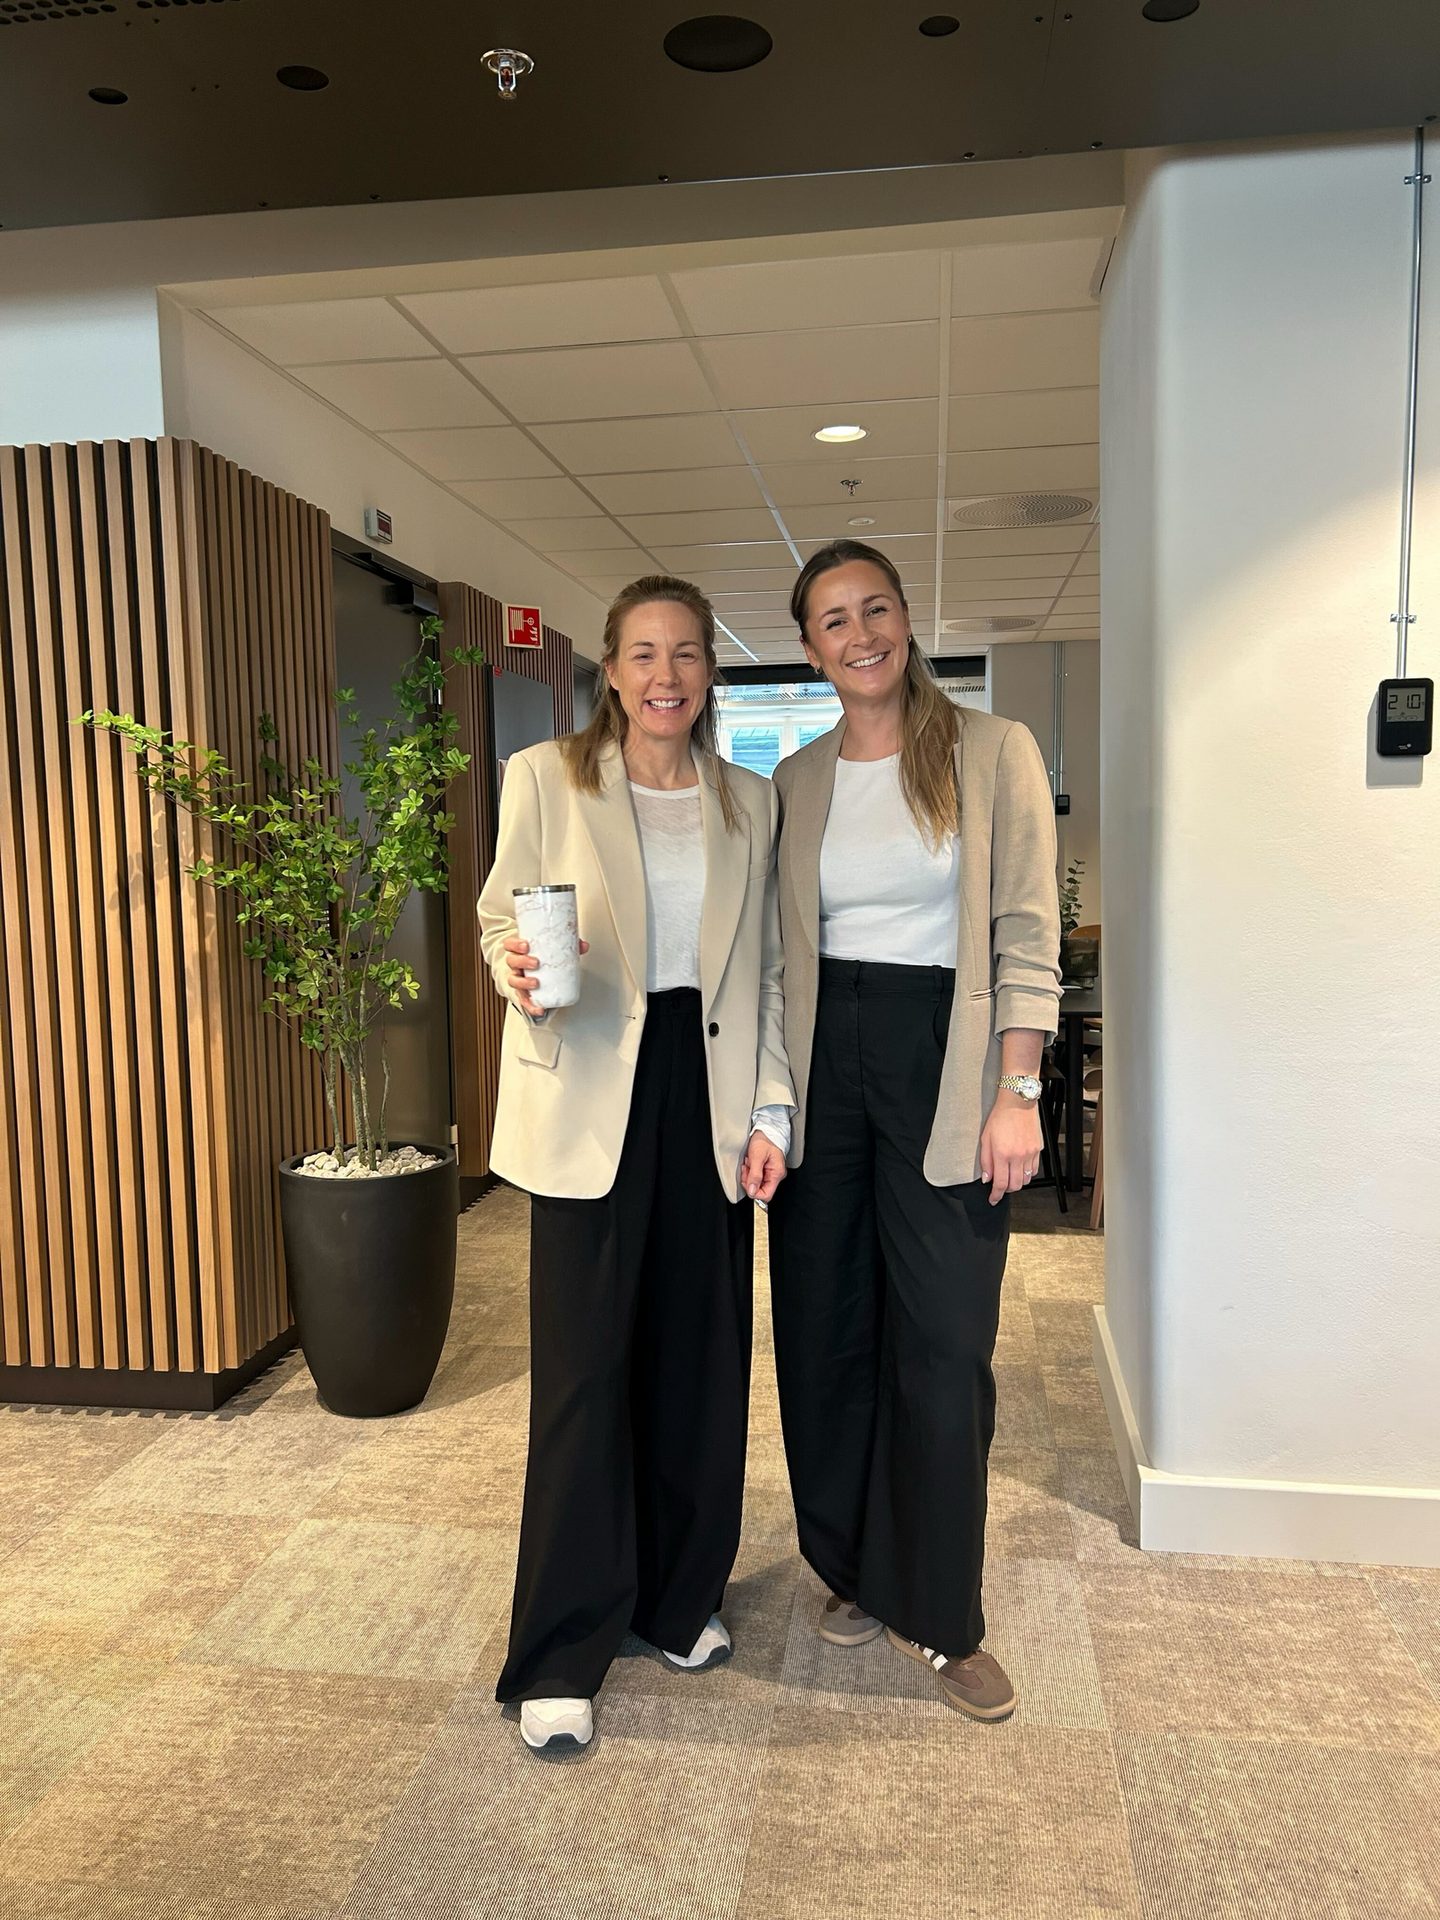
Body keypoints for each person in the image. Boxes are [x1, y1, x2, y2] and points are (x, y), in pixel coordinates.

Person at [477, 574, 792, 1755]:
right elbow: (499, 919)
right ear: (610, 670)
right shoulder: (546, 776)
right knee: (583, 1378)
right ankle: (563, 1646)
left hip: (706, 1093)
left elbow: (766, 971)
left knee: (699, 1363)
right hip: (588, 1087)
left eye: (688, 653)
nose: (667, 676)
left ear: (711, 670)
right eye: (644, 654)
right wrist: (514, 967)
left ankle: (674, 1600)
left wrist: (772, 1109)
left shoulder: (749, 801)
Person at [768, 538, 1060, 1722]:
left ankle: (940, 1613)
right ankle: (849, 1563)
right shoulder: (795, 778)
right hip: (821, 1063)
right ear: (810, 648)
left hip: (944, 1053)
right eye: (834, 620)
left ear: (906, 617)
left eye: (875, 608)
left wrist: (1018, 1092)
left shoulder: (991, 749)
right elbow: (776, 952)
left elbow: (1026, 930)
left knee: (943, 1343)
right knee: (824, 1329)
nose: (861, 634)